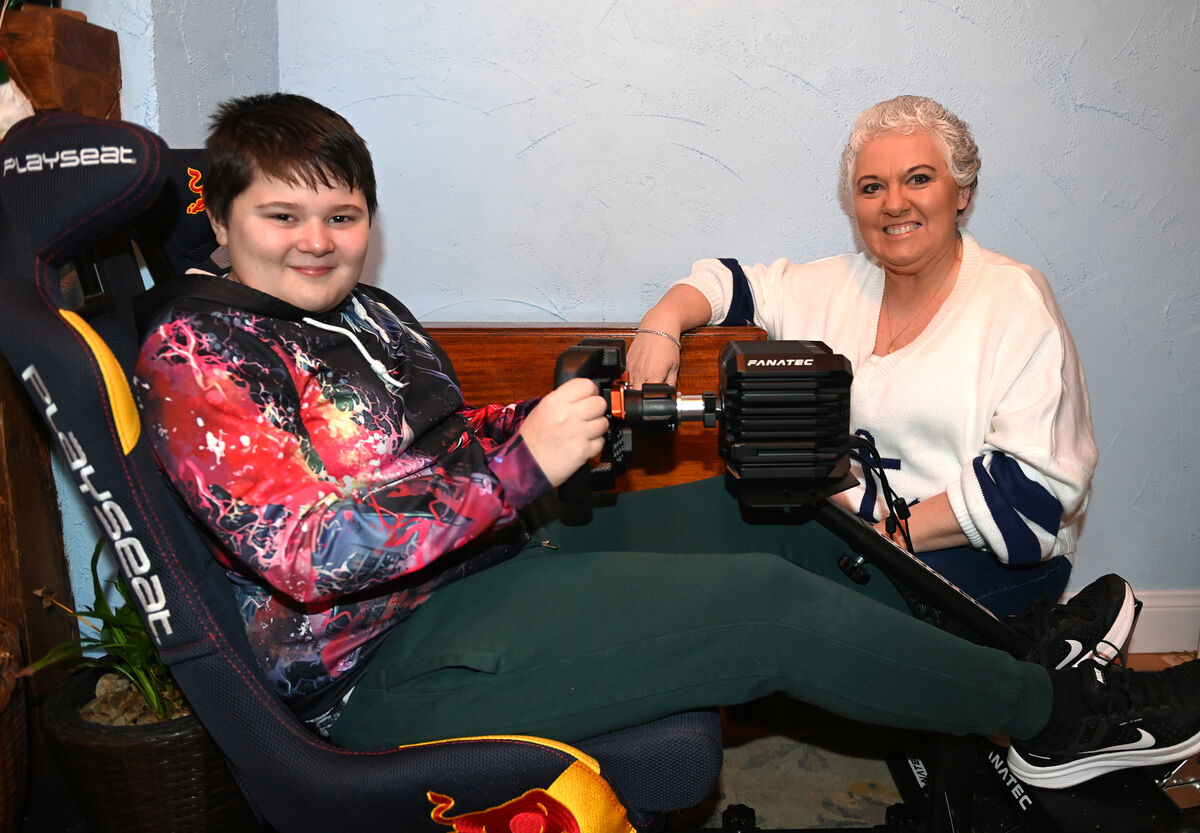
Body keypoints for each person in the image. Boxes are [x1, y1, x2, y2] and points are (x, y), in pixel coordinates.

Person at [132, 92, 1200, 797]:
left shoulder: (361, 313)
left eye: (344, 214)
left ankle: (988, 669)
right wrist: (520, 464)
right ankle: (1051, 718)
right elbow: (312, 551)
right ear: (219, 221)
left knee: (781, 519)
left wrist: (554, 423)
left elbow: (445, 446)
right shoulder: (201, 350)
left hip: (487, 561)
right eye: (282, 216)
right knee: (760, 610)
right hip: (381, 665)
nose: (317, 241)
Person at [630, 95, 1096, 619]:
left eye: (919, 179)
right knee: (692, 565)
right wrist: (661, 324)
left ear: (961, 191)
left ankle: (1061, 665)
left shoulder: (1015, 300)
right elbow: (730, 285)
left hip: (984, 558)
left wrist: (884, 539)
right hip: (859, 537)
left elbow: (1032, 487)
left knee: (784, 612)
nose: (894, 203)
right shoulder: (841, 283)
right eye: (872, 188)